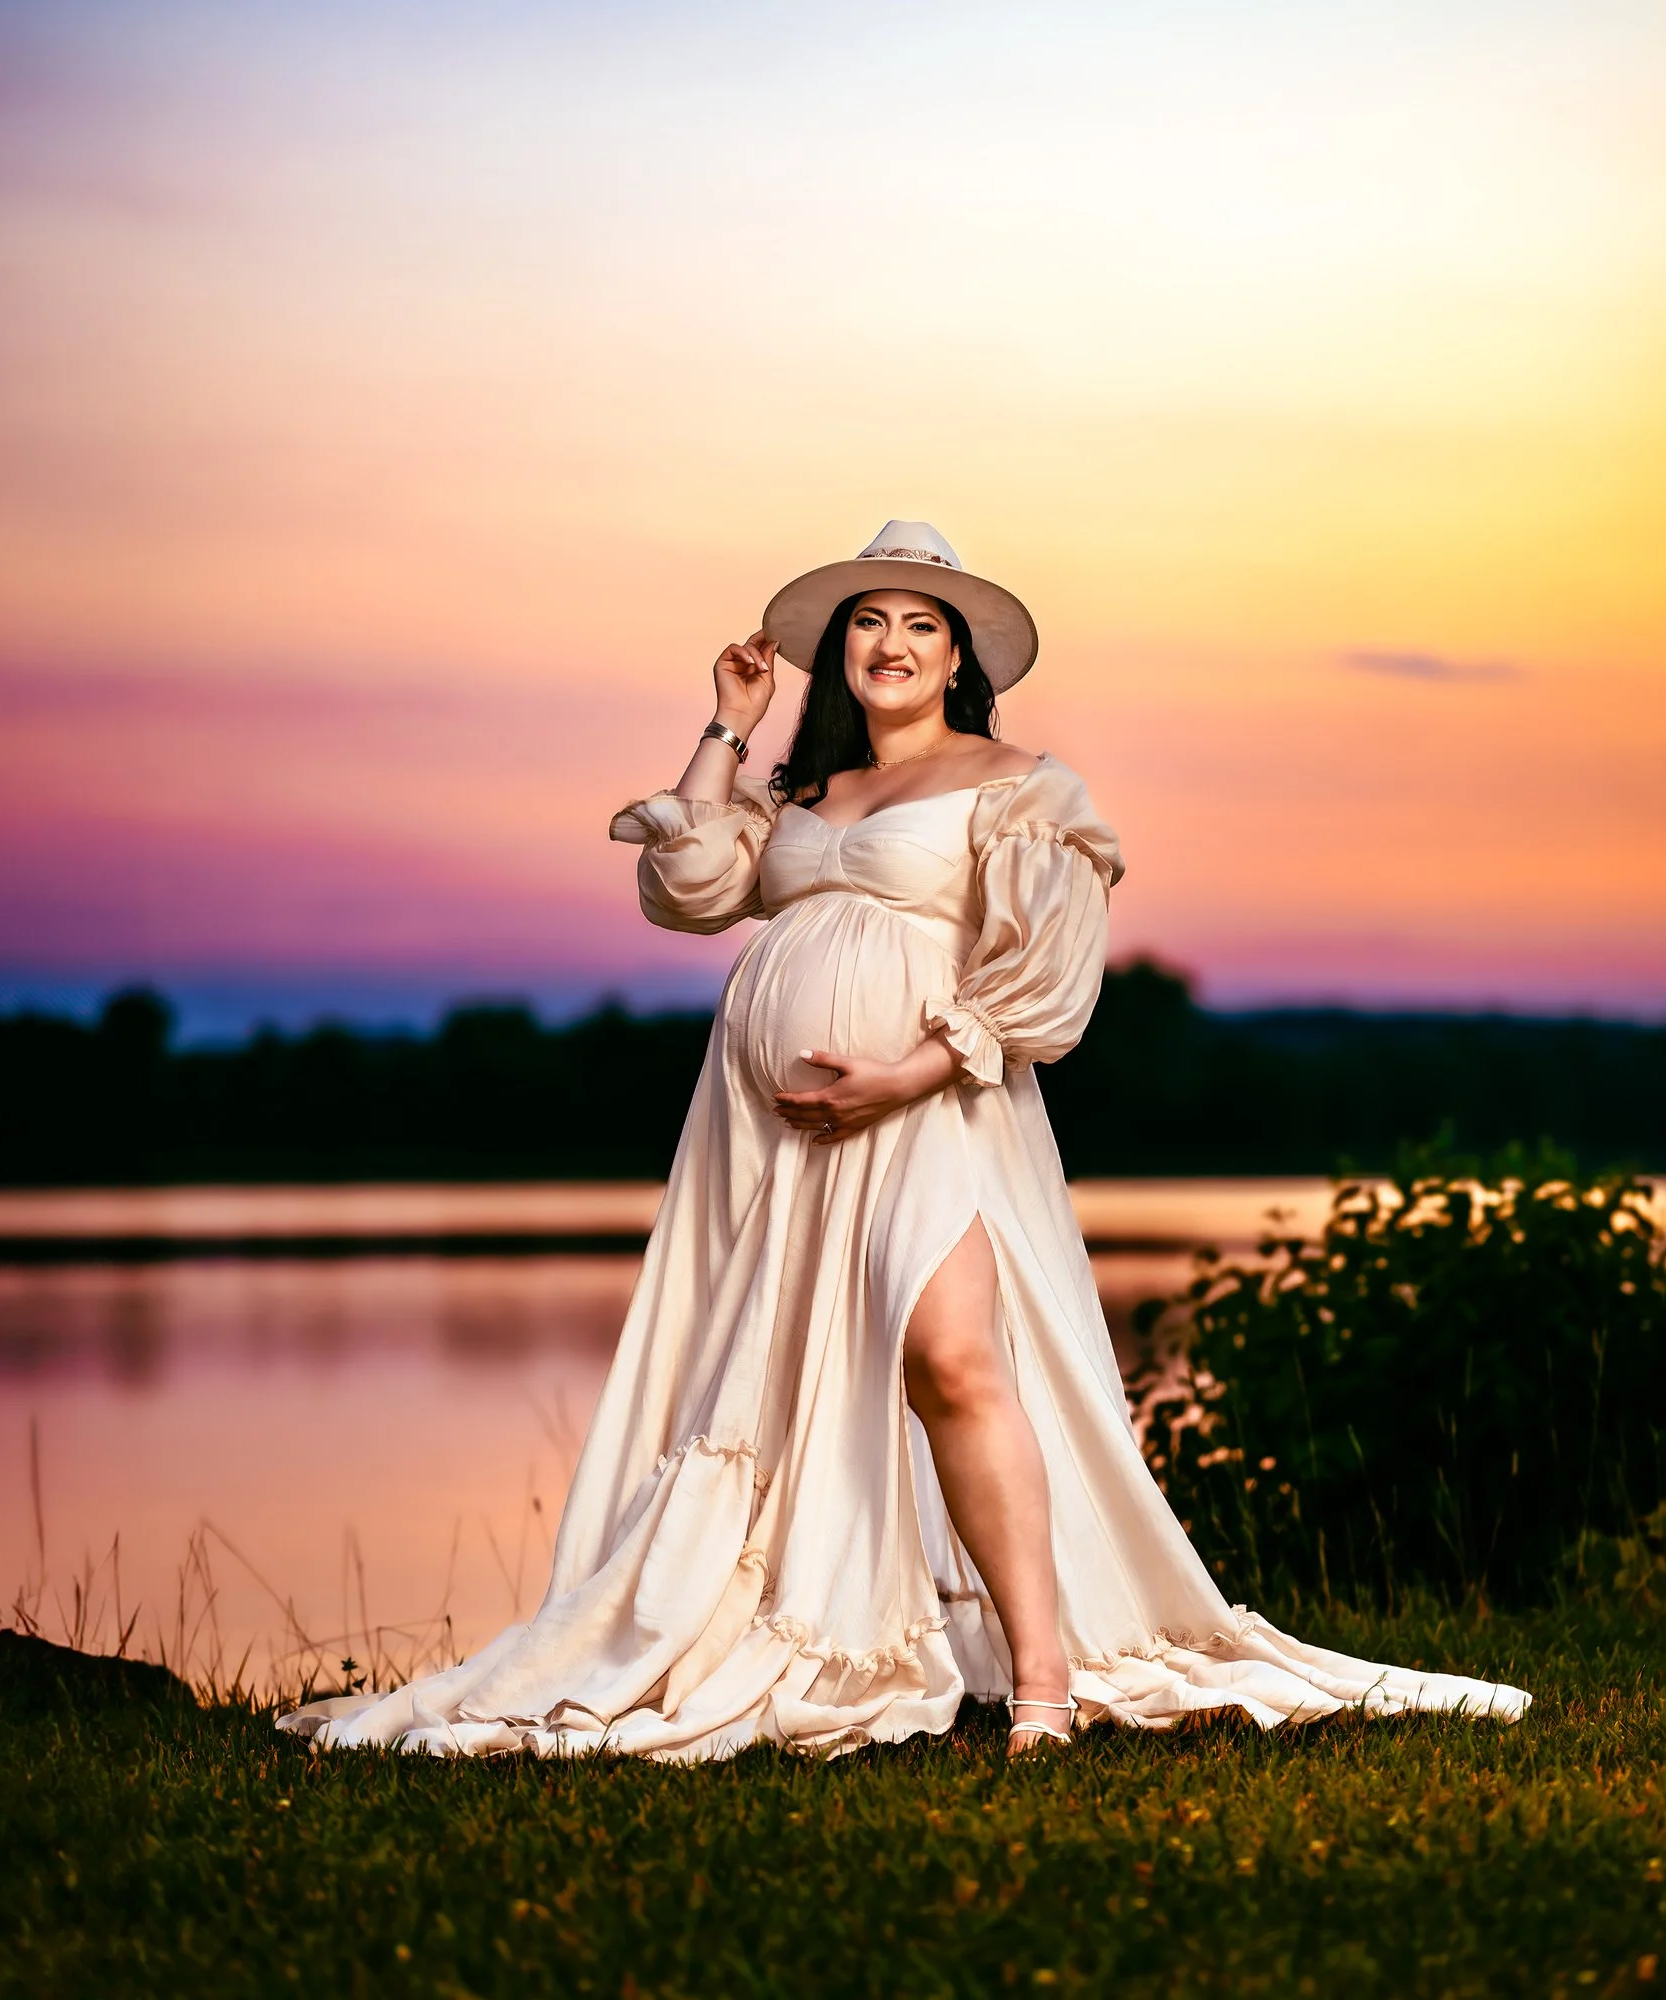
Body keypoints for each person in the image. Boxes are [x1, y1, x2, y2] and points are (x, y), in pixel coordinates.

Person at [280, 522, 1529, 1760]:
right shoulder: (805, 794)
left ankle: (1043, 1679)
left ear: (955, 659)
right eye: (868, 622)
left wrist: (906, 1071)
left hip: (937, 1101)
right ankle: (836, 1622)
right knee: (797, 1376)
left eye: (920, 625)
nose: (890, 642)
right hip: (778, 1139)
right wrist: (727, 720)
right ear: (839, 654)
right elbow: (693, 891)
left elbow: (1046, 968)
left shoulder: (1016, 781)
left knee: (952, 1356)